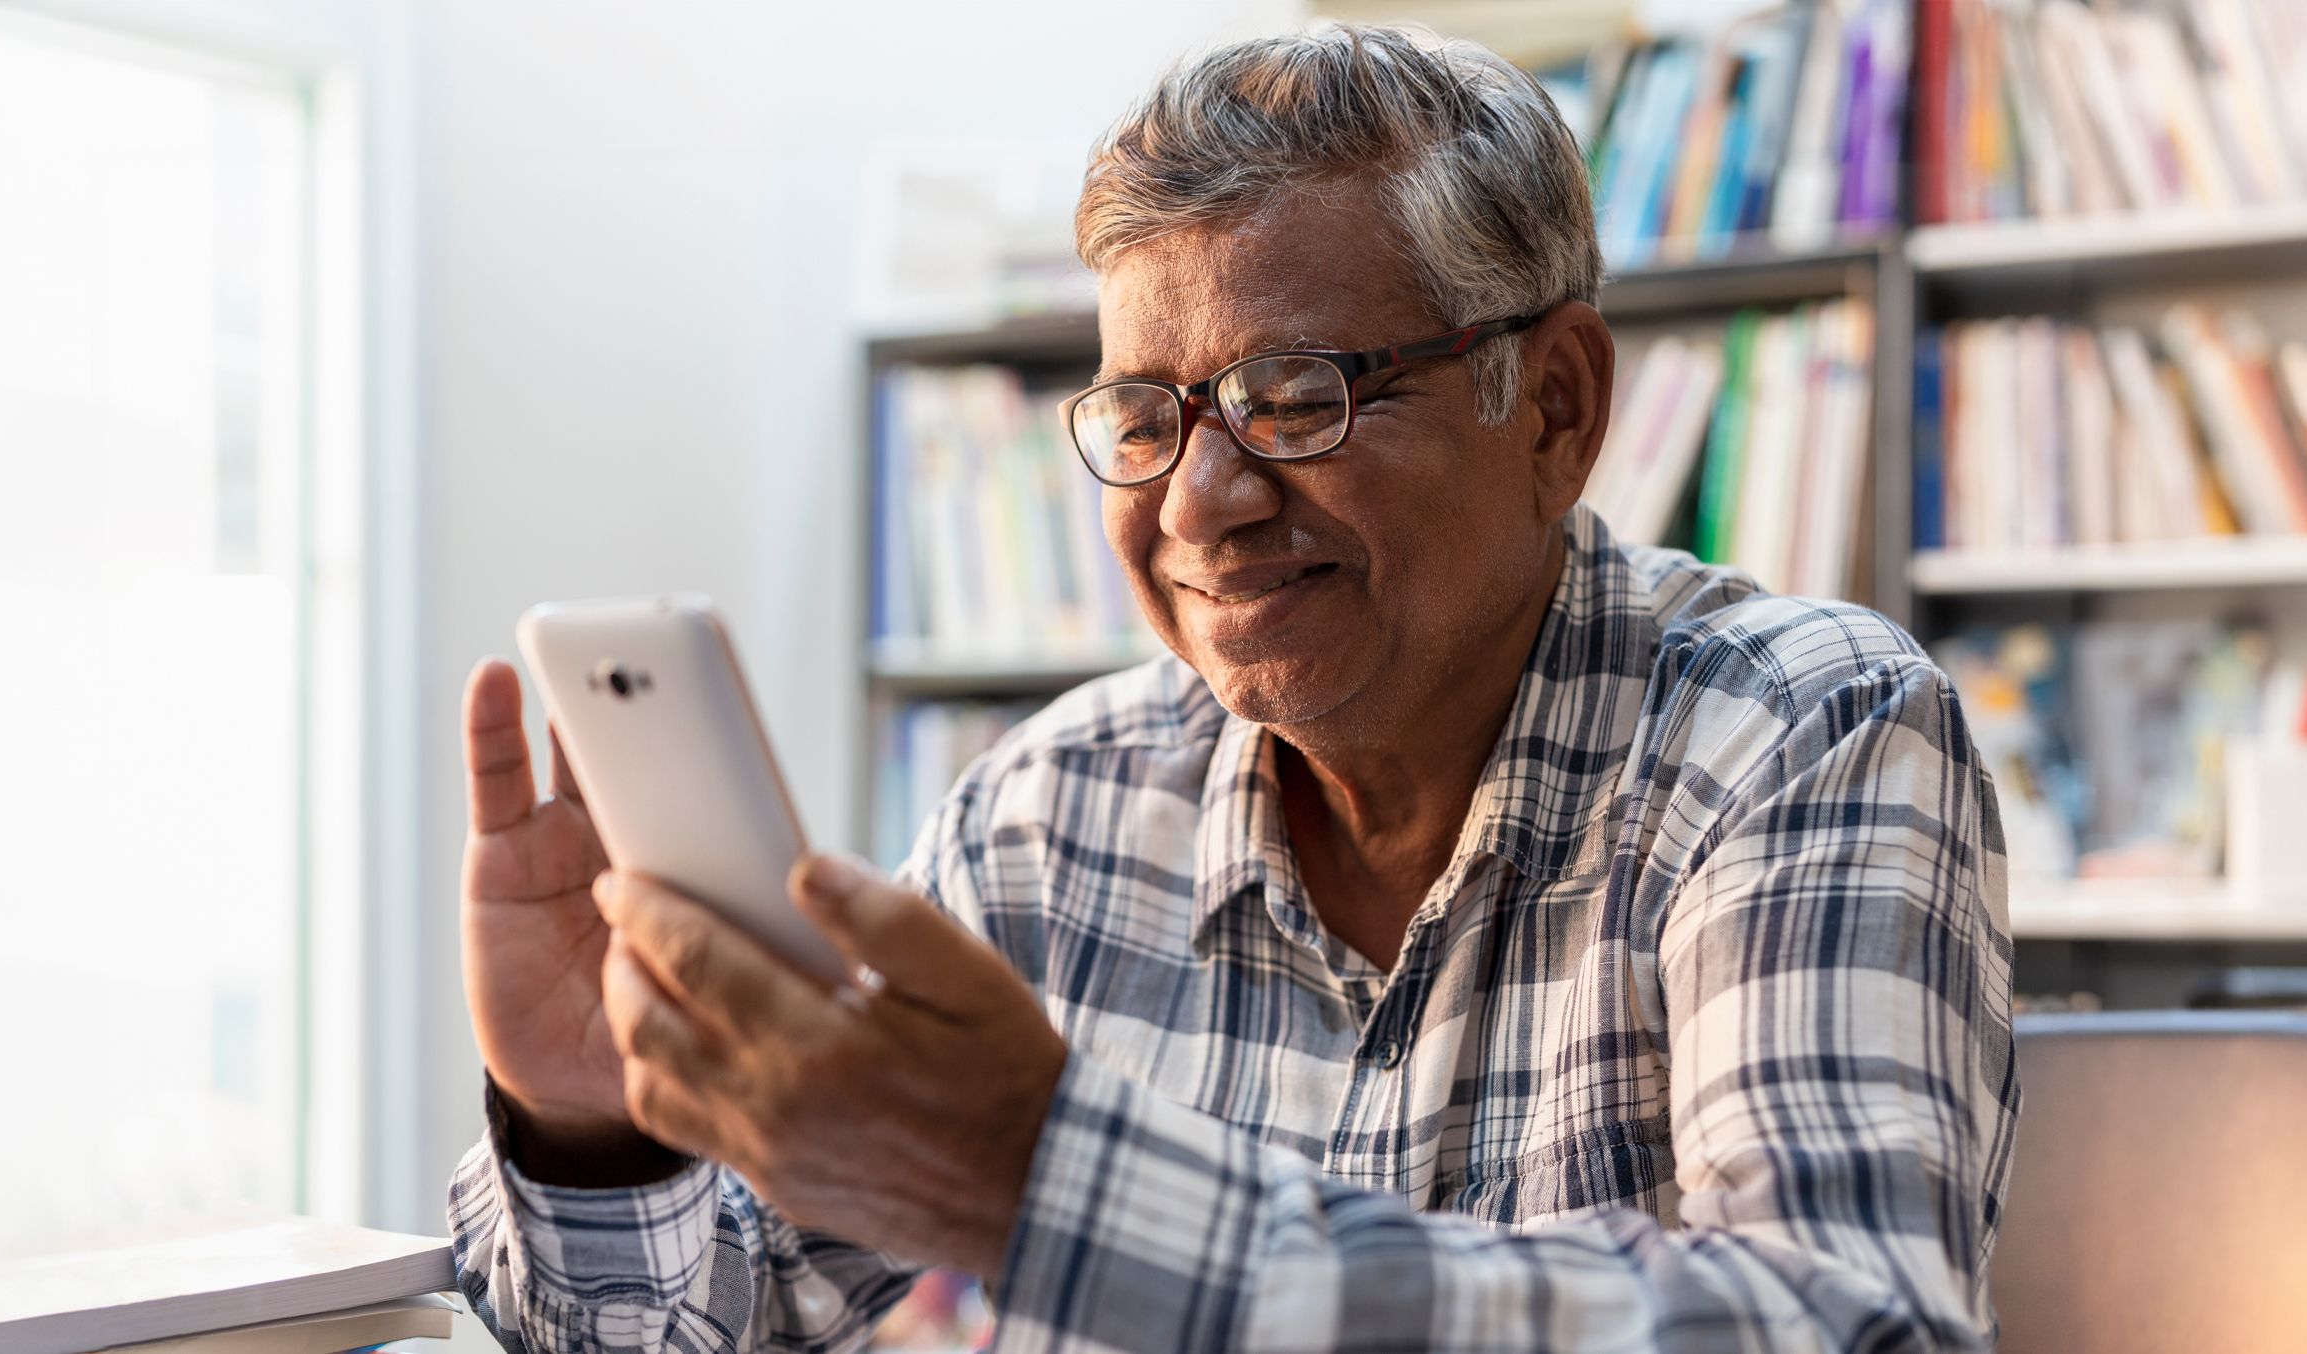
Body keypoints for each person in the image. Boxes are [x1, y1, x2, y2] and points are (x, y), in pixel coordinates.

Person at [448, 24, 2019, 1353]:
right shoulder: (1045, 817)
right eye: (1146, 412)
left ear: (1554, 407)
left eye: (1294, 396)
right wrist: (593, 1125)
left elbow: (1845, 1319)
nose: (1197, 503)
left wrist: (1042, 1178)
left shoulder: (1803, 732)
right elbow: (704, 1311)